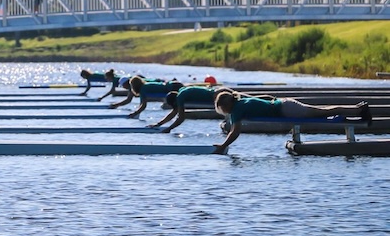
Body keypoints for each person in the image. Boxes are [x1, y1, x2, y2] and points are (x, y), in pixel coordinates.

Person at [213, 91, 371, 154]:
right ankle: (355, 114)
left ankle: (358, 110)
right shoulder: (242, 101)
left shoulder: (236, 110)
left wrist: (223, 146)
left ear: (226, 106)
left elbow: (235, 131)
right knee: (323, 114)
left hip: (287, 109)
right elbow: (266, 97)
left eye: (222, 109)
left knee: (324, 112)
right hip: (285, 104)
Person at [149, 85, 233, 132]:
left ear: (174, 102)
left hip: (220, 95)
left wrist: (169, 129)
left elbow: (181, 118)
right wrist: (158, 124)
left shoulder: (180, 97)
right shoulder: (181, 92)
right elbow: (173, 113)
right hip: (220, 91)